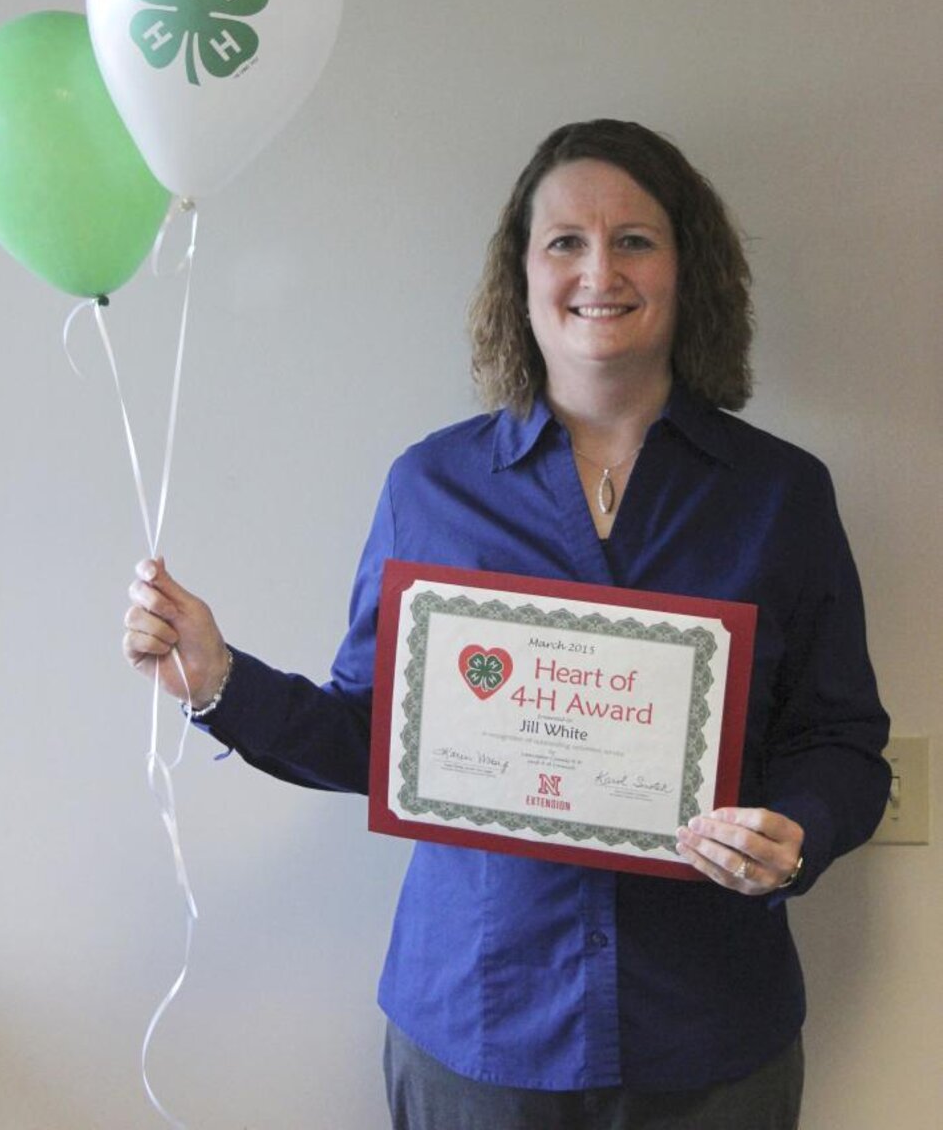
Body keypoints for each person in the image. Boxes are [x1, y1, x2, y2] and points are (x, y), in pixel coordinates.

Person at [123, 119, 890, 1130]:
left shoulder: (780, 494)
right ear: (521, 274)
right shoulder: (432, 487)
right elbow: (373, 736)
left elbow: (843, 742)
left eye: (635, 240)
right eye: (564, 240)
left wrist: (801, 831)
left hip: (709, 1029)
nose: (598, 269)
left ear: (685, 268)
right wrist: (220, 680)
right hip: (480, 1030)